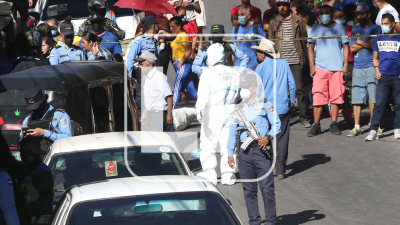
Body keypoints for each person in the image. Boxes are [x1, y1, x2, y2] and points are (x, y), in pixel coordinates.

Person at [227, 72, 280, 225]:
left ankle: (271, 221)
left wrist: (267, 137)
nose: (242, 89)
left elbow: (277, 124)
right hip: (244, 154)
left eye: (245, 86)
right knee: (249, 190)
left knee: (267, 189)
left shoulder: (266, 104)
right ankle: (254, 221)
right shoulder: (238, 109)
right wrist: (230, 153)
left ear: (254, 88)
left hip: (261, 150)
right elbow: (232, 133)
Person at [196, 44, 241, 186]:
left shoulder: (207, 73)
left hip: (213, 110)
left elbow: (203, 94)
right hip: (231, 109)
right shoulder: (234, 72)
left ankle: (210, 173)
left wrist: (199, 110)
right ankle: (229, 174)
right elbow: (239, 93)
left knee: (208, 142)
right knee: (229, 142)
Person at [253, 39, 296, 179]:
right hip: (282, 106)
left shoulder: (260, 68)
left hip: (267, 108)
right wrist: (291, 100)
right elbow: (292, 84)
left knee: (268, 135)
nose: (257, 54)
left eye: (258, 51)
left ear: (264, 54)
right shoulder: (284, 63)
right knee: (282, 137)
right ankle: (281, 169)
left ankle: (270, 165)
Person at [307, 5, 349, 137]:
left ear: (331, 14)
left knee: (336, 97)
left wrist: (346, 64)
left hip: (337, 68)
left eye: (326, 13)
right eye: (322, 13)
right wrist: (312, 65)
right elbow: (310, 47)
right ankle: (316, 125)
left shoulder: (340, 28)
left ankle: (334, 123)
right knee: (318, 96)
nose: (324, 15)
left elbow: (346, 46)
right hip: (320, 68)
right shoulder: (315, 29)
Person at [269, 0, 310, 128]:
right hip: (280, 61)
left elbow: (303, 40)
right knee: (279, 90)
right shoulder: (273, 22)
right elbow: (271, 43)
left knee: (299, 88)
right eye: (279, 5)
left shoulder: (298, 20)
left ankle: (303, 117)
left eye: (284, 5)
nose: (282, 7)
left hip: (295, 60)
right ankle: (278, 117)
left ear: (288, 6)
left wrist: (300, 53)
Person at [347, 4, 381, 137]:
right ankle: (357, 127)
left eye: (362, 13)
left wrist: (359, 42)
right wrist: (366, 43)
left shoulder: (376, 28)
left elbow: (376, 45)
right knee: (356, 98)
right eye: (358, 14)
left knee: (373, 98)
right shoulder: (355, 29)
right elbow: (352, 48)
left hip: (372, 66)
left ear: (368, 14)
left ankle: (374, 126)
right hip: (357, 67)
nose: (359, 16)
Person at [366, 13, 400, 140]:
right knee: (379, 104)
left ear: (392, 24)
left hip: (397, 76)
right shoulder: (377, 38)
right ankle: (373, 130)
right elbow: (375, 58)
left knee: (399, 104)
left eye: (386, 23)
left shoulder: (399, 38)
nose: (384, 26)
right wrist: (377, 71)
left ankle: (397, 128)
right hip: (383, 77)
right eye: (382, 23)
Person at [19, 86, 72, 151]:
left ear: (43, 99)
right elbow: (19, 146)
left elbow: (68, 139)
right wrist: (23, 140)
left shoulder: (59, 115)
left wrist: (44, 133)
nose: (34, 110)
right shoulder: (27, 120)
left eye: (36, 106)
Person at [19, 137, 54, 225]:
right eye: (23, 151)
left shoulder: (41, 172)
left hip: (39, 221)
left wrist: (25, 211)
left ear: (38, 151)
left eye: (29, 150)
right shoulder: (26, 171)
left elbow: (46, 200)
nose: (26, 154)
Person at [136, 51, 174, 132]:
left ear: (150, 64)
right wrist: (145, 113)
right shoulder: (146, 78)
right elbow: (150, 99)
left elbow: (169, 96)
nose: (140, 67)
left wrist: (169, 114)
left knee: (160, 140)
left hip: (158, 114)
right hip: (152, 114)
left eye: (142, 64)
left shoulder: (158, 76)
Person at [169, 16, 197, 109]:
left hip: (183, 65)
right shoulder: (178, 35)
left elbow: (188, 50)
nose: (171, 29)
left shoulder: (183, 35)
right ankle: (206, 106)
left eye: (172, 26)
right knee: (191, 89)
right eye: (170, 26)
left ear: (179, 26)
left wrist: (181, 62)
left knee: (177, 87)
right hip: (182, 65)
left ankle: (171, 111)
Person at [231, 4, 265, 70]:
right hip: (238, 68)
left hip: (253, 68)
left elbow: (262, 48)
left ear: (248, 15)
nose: (240, 17)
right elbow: (233, 50)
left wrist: (258, 66)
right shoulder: (236, 29)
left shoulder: (257, 28)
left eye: (242, 15)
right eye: (238, 15)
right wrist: (232, 66)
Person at [127, 15, 160, 80]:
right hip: (144, 75)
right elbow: (130, 58)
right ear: (154, 26)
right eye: (157, 25)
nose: (158, 27)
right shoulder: (140, 40)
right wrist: (129, 77)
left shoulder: (154, 41)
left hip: (154, 73)